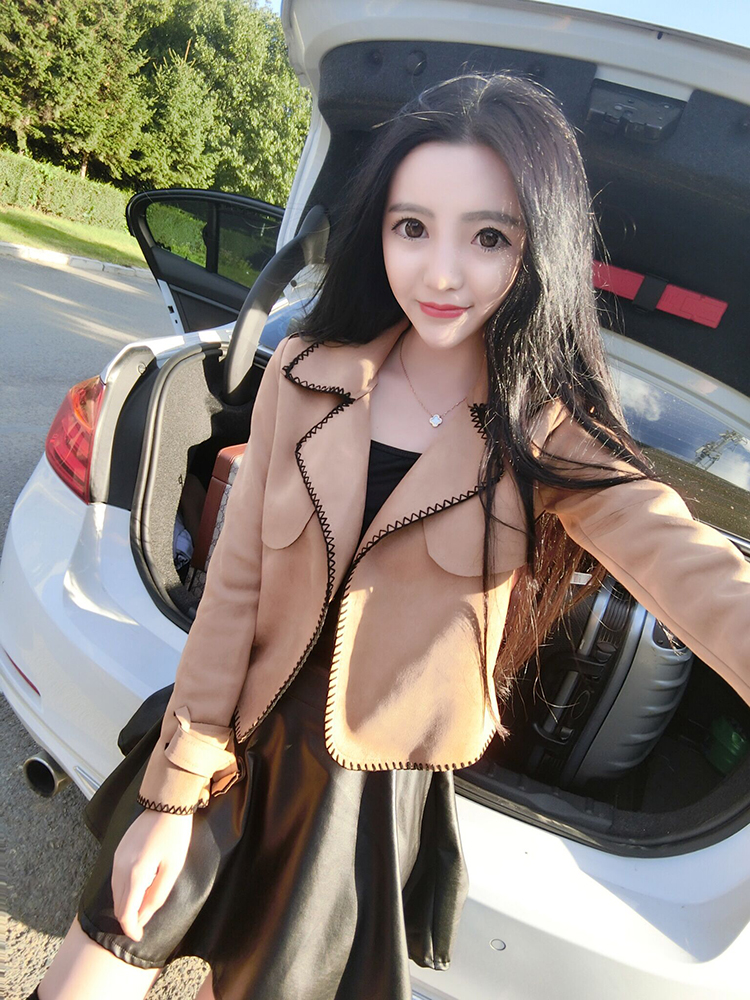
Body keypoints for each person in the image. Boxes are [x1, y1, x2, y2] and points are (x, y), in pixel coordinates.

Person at [27, 71, 750, 1000]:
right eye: (413, 227)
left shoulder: (549, 438)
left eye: (488, 237)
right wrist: (174, 790)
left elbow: (689, 568)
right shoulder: (303, 371)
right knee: (86, 975)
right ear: (379, 230)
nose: (441, 273)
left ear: (539, 250)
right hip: (222, 741)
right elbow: (234, 590)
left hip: (357, 796)